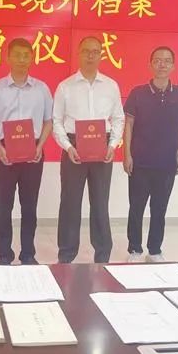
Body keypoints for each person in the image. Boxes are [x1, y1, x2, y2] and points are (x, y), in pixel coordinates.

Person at [53, 36, 125, 263]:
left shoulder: (111, 86)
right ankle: (66, 254)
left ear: (101, 54)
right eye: (86, 51)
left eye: (95, 51)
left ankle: (102, 254)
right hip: (74, 147)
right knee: (70, 202)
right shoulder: (65, 86)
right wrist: (67, 146)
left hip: (102, 147)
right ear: (79, 53)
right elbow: (56, 121)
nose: (91, 55)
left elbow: (118, 118)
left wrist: (112, 144)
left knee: (100, 202)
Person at [0, 38, 53, 265]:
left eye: (26, 55)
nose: (22, 59)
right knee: (4, 206)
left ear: (32, 58)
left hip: (33, 151)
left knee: (29, 206)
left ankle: (28, 254)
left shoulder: (42, 89)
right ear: (8, 58)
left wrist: (40, 146)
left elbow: (49, 120)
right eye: (17, 55)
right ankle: (4, 255)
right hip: (4, 151)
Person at [123, 46, 178, 262]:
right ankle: (135, 249)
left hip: (166, 161)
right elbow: (129, 124)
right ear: (151, 64)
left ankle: (154, 250)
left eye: (167, 60)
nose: (162, 64)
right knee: (136, 207)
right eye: (158, 60)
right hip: (140, 161)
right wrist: (127, 154)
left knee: (159, 208)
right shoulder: (138, 93)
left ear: (173, 65)